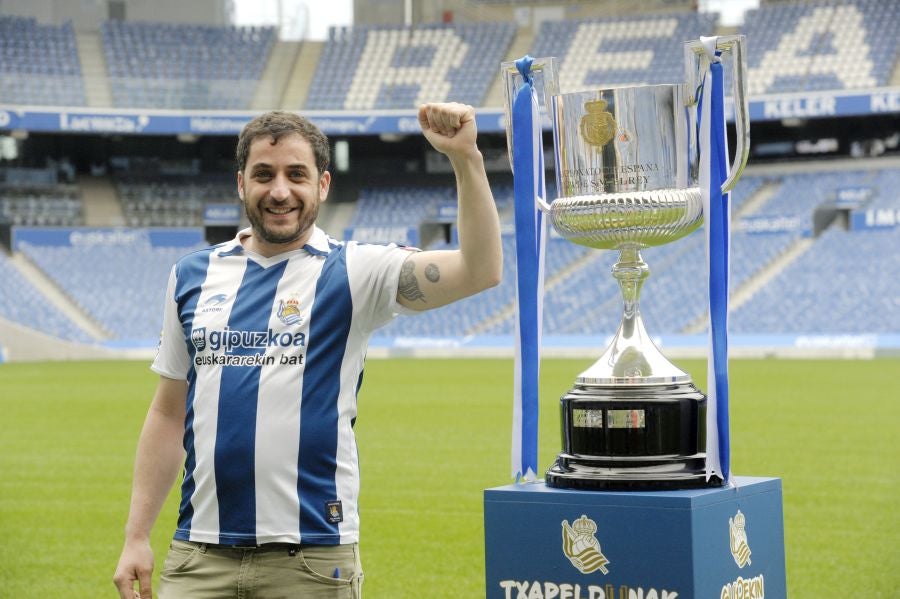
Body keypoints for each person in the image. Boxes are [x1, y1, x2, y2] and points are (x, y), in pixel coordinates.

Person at [112, 102, 502, 599]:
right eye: (264, 174)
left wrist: (466, 158)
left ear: (322, 185)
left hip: (313, 559)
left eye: (297, 174)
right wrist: (136, 536)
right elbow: (167, 415)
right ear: (240, 184)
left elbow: (480, 270)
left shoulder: (356, 271)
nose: (279, 191)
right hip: (198, 556)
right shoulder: (193, 275)